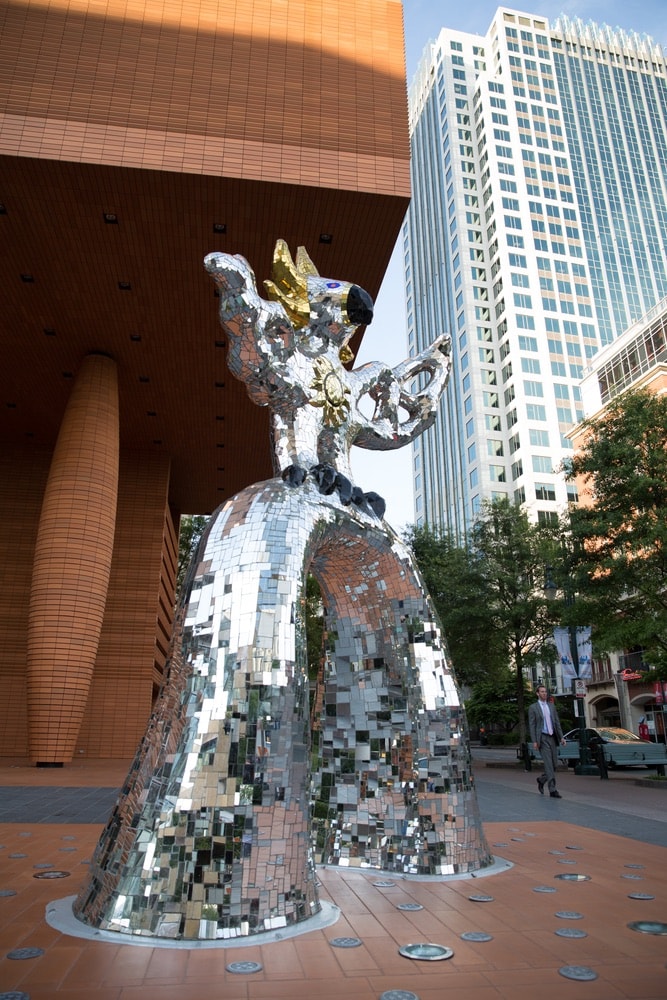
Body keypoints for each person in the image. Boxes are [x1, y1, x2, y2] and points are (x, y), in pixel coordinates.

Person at [528, 685, 566, 798]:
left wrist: (561, 737)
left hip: (552, 737)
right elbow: (532, 725)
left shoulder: (551, 706)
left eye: (545, 692)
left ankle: (541, 779)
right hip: (542, 738)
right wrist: (534, 740)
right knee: (549, 764)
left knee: (554, 764)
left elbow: (557, 723)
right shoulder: (533, 708)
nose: (544, 693)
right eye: (542, 692)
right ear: (537, 693)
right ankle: (553, 790)